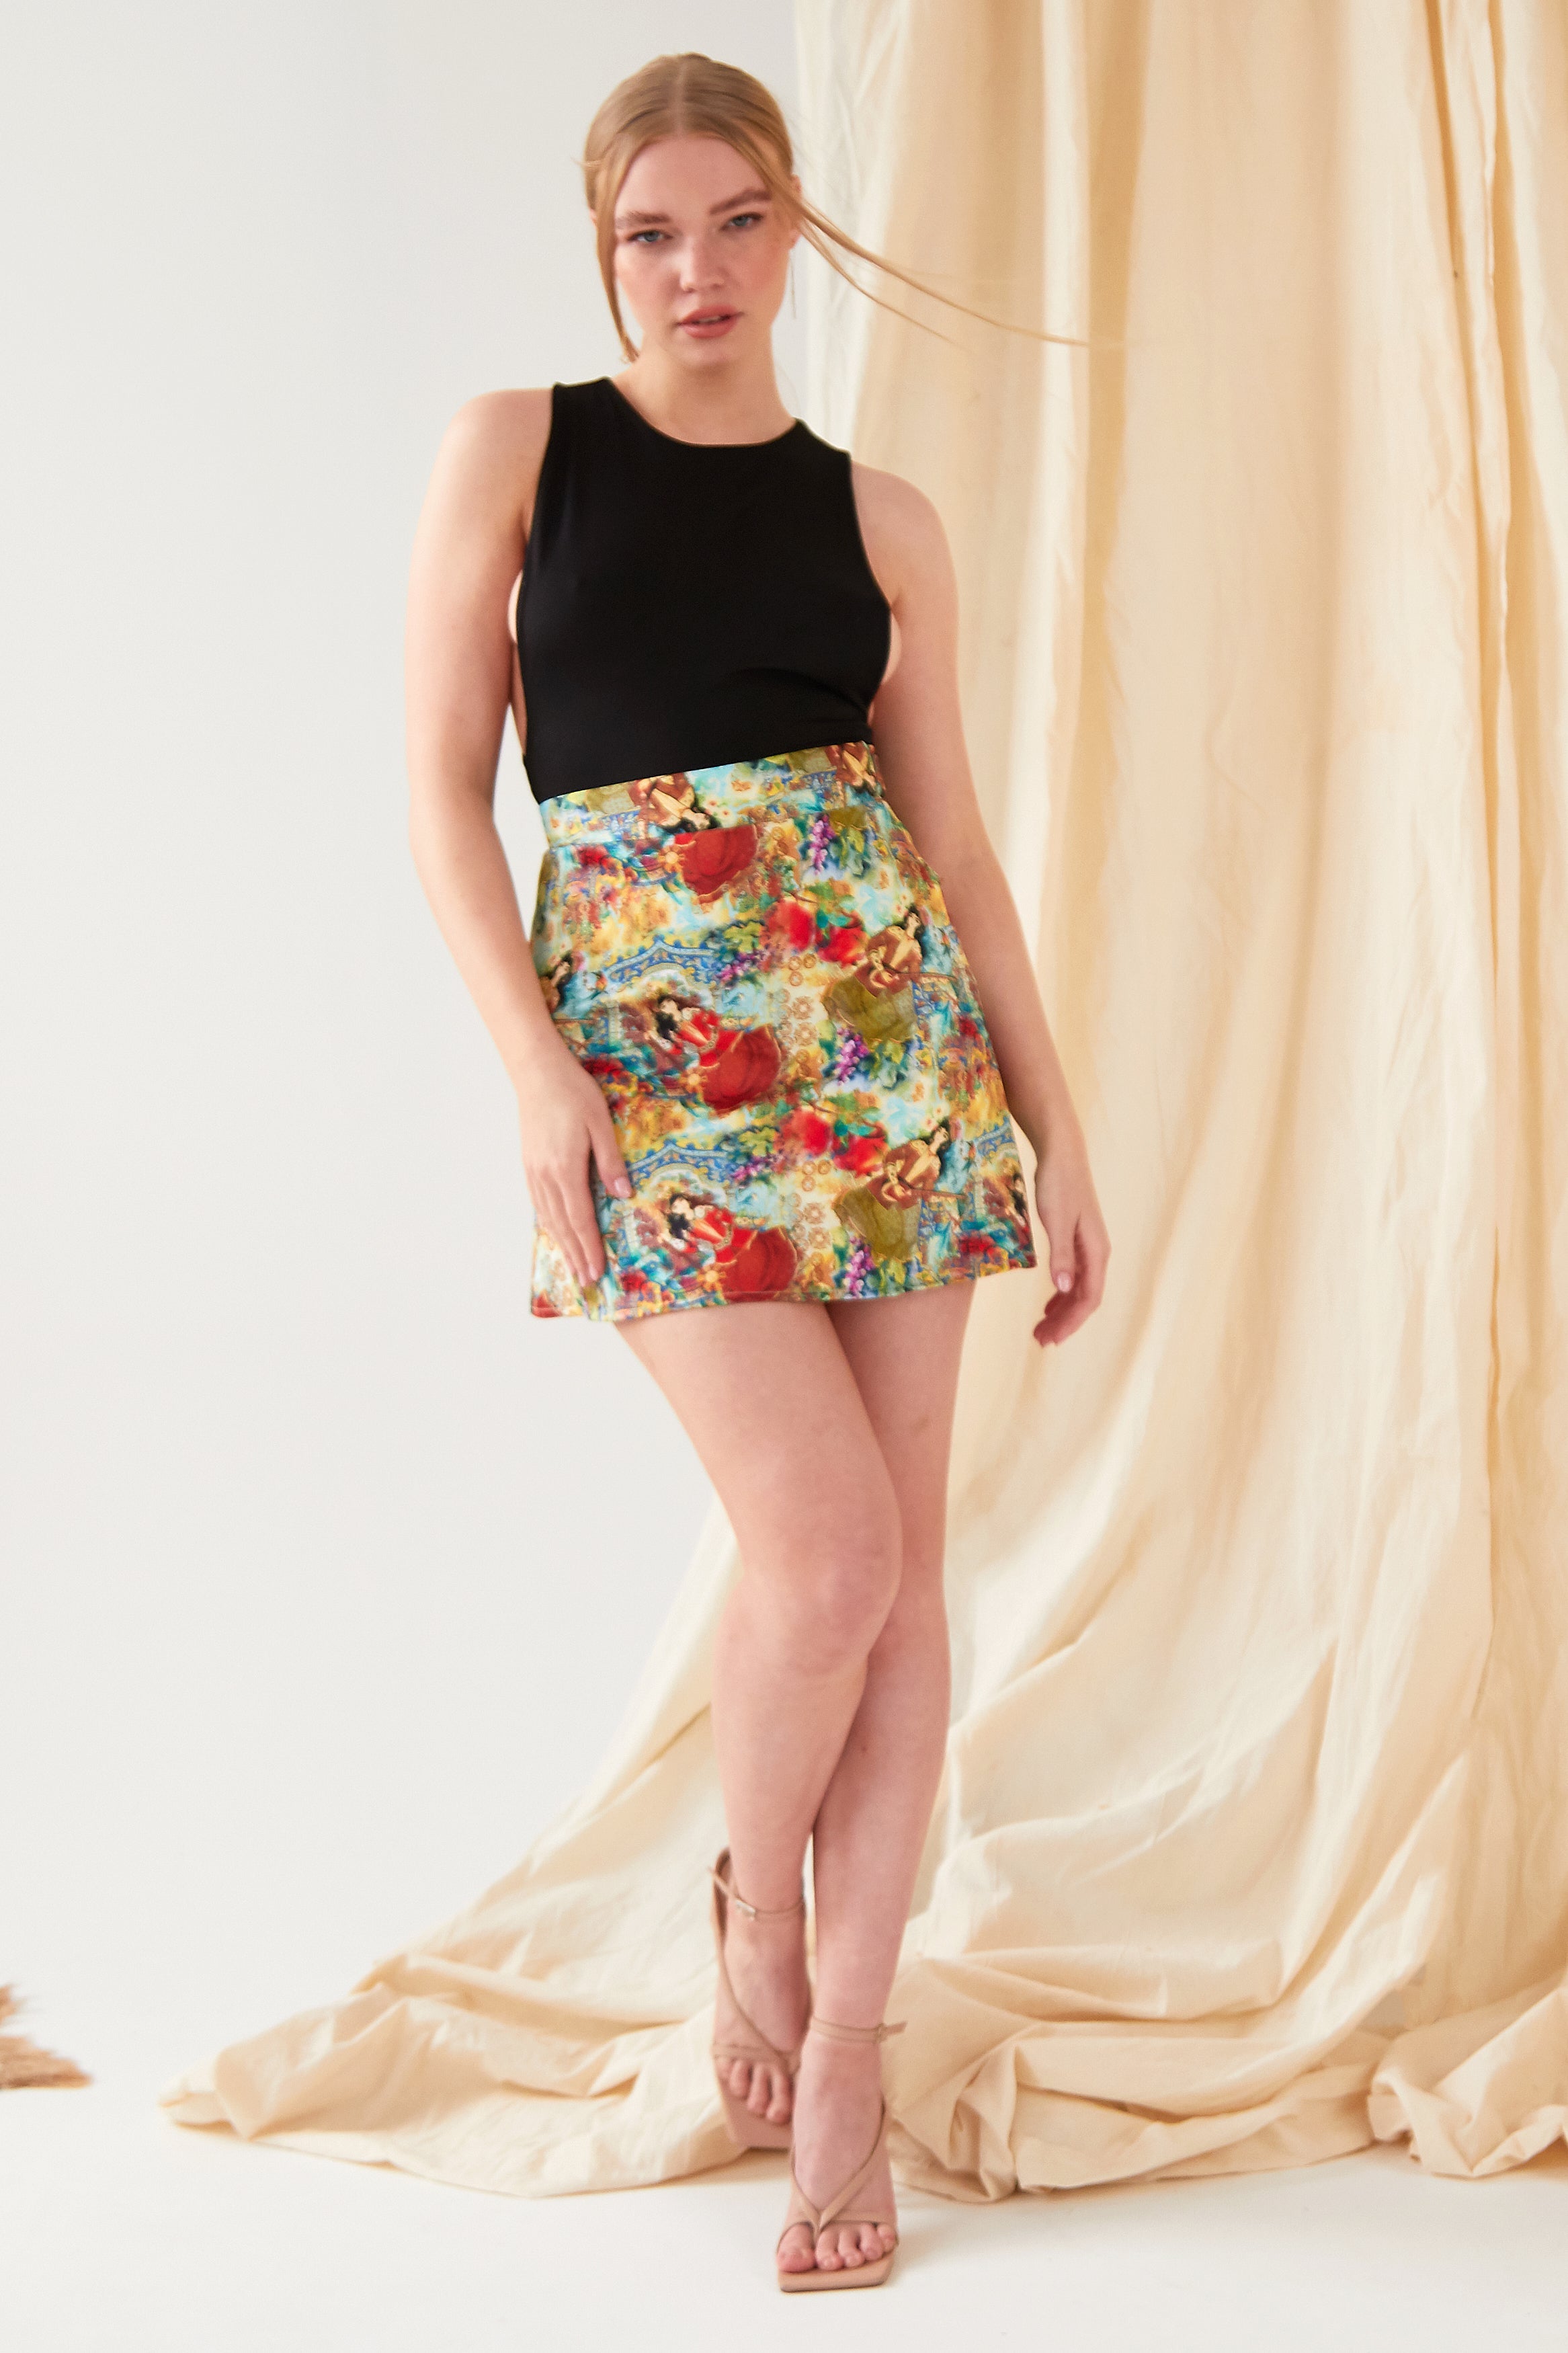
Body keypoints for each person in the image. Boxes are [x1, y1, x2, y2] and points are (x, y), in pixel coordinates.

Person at [405, 50, 1110, 2293]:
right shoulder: (519, 453)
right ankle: (745, 1907)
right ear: (600, 247)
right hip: (650, 1073)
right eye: (649, 232)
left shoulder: (882, 516)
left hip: (893, 1066)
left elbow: (958, 848)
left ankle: (846, 2051)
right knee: (819, 1554)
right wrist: (535, 1073)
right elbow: (440, 797)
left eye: (733, 224)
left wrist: (1057, 1125)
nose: (695, 271)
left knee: (899, 1572)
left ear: (795, 230)